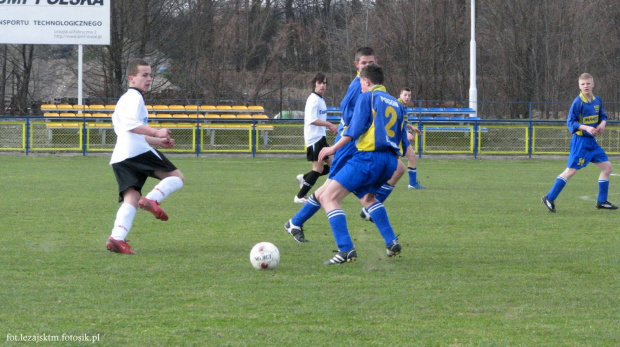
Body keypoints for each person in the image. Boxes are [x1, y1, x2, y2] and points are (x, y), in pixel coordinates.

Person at [318, 63, 409, 265]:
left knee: (327, 197)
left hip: (368, 158)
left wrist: (332, 149)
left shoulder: (367, 97)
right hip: (390, 162)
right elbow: (403, 142)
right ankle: (391, 241)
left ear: (367, 81)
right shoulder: (397, 104)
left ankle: (345, 250)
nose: (360, 87)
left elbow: (354, 130)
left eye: (361, 83)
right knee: (368, 198)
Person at [284, 47, 376, 243]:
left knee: (331, 187)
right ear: (357, 65)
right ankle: (371, 214)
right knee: (333, 189)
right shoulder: (357, 85)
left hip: (351, 143)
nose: (369, 66)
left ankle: (296, 222)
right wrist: (352, 128)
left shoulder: (369, 84)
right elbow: (346, 107)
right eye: (364, 63)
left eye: (371, 62)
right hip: (347, 144)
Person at [106, 59, 185, 254]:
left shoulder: (124, 100)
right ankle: (152, 200)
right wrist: (156, 132)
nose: (149, 79)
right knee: (176, 177)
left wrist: (157, 142)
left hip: (121, 156)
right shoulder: (134, 97)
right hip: (136, 151)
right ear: (132, 78)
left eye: (150, 75)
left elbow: (128, 131)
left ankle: (117, 238)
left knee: (131, 197)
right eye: (144, 75)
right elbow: (130, 125)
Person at [541, 73, 617, 212]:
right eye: (583, 84)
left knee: (607, 168)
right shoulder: (578, 102)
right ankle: (549, 197)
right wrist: (587, 127)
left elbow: (603, 116)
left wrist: (603, 124)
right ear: (579, 86)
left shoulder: (597, 100)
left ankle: (601, 201)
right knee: (570, 171)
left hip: (592, 142)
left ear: (593, 84)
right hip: (580, 142)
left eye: (588, 83)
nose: (586, 86)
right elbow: (570, 123)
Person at [294, 72, 338, 203]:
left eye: (324, 83)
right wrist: (329, 124)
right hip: (314, 139)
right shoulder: (313, 99)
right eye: (319, 83)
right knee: (319, 169)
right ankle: (299, 197)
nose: (322, 85)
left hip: (320, 138)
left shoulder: (320, 100)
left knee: (334, 166)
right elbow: (311, 119)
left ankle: (305, 178)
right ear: (314, 84)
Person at [398, 88, 426, 190]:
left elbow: (403, 122)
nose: (407, 97)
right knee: (393, 162)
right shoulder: (397, 105)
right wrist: (406, 133)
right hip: (397, 137)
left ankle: (412, 184)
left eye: (409, 95)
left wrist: (411, 127)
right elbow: (395, 122)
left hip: (401, 136)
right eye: (405, 95)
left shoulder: (403, 106)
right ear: (400, 95)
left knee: (413, 157)